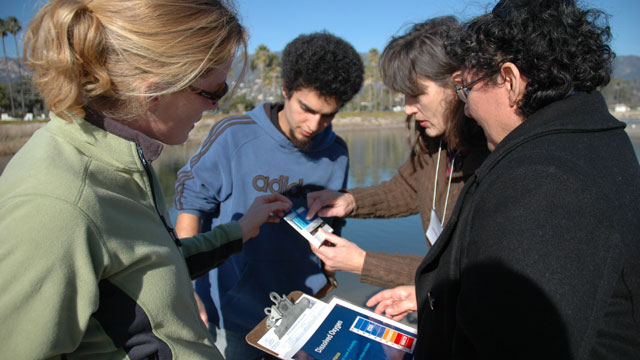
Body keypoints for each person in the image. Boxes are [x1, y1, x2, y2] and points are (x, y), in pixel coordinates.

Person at [0, 0, 294, 358]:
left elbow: (150, 266)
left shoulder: (120, 157)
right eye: (213, 92)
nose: (215, 107)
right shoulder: (55, 206)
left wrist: (240, 230)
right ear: (154, 92)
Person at [373, 0, 640, 358]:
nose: (465, 108)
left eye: (467, 91)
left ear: (511, 81)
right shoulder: (594, 139)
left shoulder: (541, 182)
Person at [173, 32, 364, 359]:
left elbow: (334, 226)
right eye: (306, 108)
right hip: (235, 314)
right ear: (285, 89)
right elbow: (191, 204)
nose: (314, 124)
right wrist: (184, 285)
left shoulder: (337, 152)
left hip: (304, 308)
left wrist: (328, 281)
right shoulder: (234, 135)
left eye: (328, 115)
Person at [305, 17, 488, 291]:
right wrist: (350, 201)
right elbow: (408, 187)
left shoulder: (495, 159)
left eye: (415, 94)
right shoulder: (435, 141)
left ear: (458, 84)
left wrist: (361, 262)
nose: (407, 109)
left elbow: (467, 272)